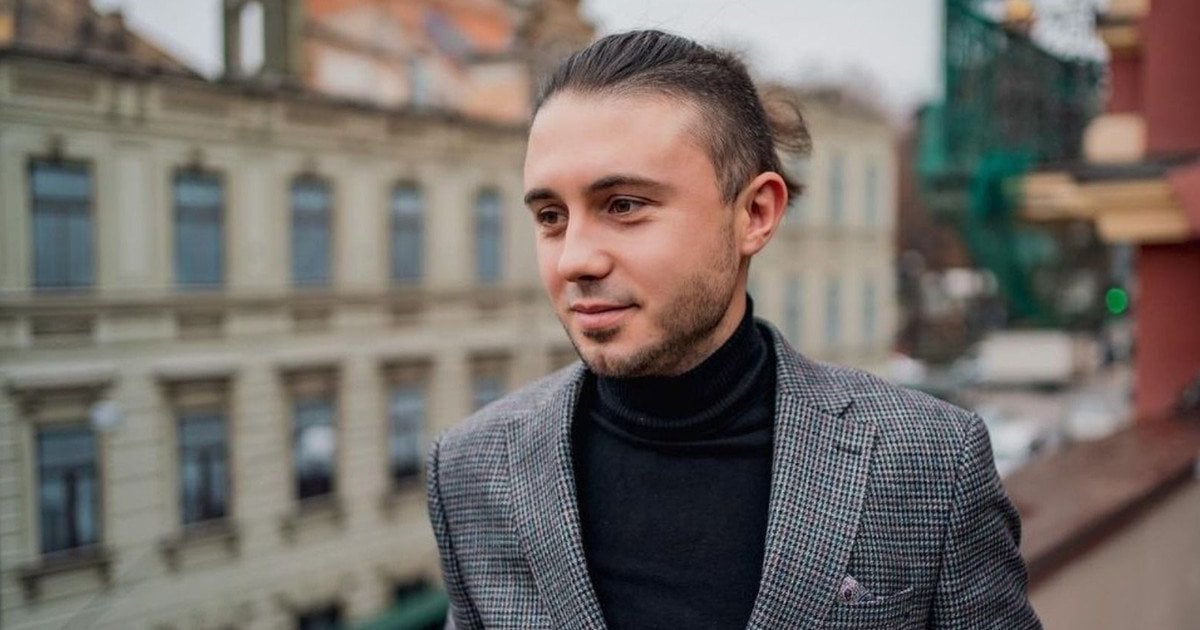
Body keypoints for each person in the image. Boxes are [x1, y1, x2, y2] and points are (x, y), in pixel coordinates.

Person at [426, 29, 1040, 630]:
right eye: (551, 216)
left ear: (754, 214)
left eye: (624, 205)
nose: (574, 260)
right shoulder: (471, 471)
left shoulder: (928, 462)